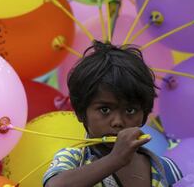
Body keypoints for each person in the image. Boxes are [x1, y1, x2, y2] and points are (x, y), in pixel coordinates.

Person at [43, 40, 182, 187]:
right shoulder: (74, 159)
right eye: (105, 110)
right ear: (81, 112)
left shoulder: (166, 169)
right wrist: (116, 159)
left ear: (144, 115)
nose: (118, 121)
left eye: (130, 111)